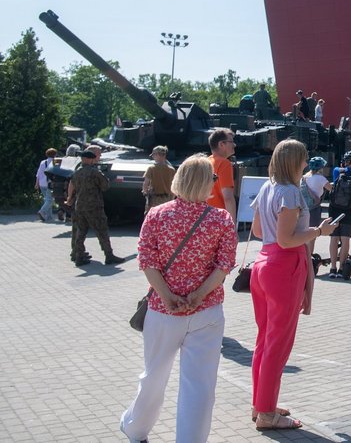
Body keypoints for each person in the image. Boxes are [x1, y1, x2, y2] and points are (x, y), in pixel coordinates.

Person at [119, 154, 237, 443]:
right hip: (206, 312)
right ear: (205, 183)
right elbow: (224, 265)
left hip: (162, 311)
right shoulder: (221, 219)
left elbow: (147, 261)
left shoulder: (157, 215)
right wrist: (198, 295)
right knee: (200, 385)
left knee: (153, 376)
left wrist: (168, 295)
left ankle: (135, 429)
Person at [249, 139, 339, 430]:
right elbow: (287, 240)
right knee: (278, 344)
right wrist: (319, 231)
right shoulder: (290, 192)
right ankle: (266, 414)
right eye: (303, 158)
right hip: (283, 268)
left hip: (262, 264)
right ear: (294, 162)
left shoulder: (266, 187)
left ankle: (261, 404)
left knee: (265, 341)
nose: (306, 163)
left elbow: (258, 229)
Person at [66, 149, 124, 266]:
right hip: (94, 206)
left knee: (80, 232)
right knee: (101, 231)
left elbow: (72, 186)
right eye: (92, 159)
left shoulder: (76, 172)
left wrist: (69, 198)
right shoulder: (94, 172)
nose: (93, 161)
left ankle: (79, 256)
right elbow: (105, 186)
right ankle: (109, 255)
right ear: (89, 159)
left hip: (79, 206)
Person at [326, 151, 351, 278]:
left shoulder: (337, 171)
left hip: (334, 208)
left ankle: (332, 269)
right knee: (345, 239)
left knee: (333, 238)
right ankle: (342, 269)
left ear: (345, 161)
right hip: (349, 209)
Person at [207, 128, 236, 222]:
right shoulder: (224, 163)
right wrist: (232, 225)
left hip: (204, 217)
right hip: (219, 219)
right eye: (231, 142)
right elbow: (228, 197)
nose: (234, 145)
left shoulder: (206, 162)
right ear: (221, 144)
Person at [142, 145, 176, 213]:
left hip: (155, 200)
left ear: (158, 155)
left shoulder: (151, 168)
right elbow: (175, 186)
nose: (153, 157)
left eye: (153, 155)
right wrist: (172, 198)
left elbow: (146, 183)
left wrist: (145, 192)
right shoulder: (172, 170)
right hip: (167, 199)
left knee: (152, 218)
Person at [301, 157, 329, 223]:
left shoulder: (304, 177)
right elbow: (331, 189)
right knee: (314, 228)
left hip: (304, 206)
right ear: (320, 168)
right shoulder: (321, 178)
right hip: (314, 206)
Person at [35, 147, 57, 222]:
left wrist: (36, 183)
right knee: (49, 200)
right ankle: (42, 211)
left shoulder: (42, 162)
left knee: (47, 200)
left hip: (41, 183)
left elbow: (38, 173)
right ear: (55, 155)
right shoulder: (55, 162)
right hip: (49, 183)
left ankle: (49, 217)